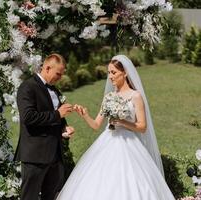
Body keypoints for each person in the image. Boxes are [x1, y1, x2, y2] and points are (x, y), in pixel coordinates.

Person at [56, 55, 175, 200]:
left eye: (114, 72)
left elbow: (142, 126)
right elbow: (96, 125)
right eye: (109, 73)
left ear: (124, 73)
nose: (110, 77)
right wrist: (85, 115)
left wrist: (123, 122)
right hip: (108, 141)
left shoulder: (135, 96)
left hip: (129, 143)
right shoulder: (109, 97)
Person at [15, 53, 75, 200]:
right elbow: (29, 117)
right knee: (29, 197)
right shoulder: (27, 87)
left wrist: (64, 128)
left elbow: (57, 117)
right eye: (58, 74)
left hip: (55, 155)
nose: (60, 78)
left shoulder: (55, 90)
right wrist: (57, 114)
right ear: (47, 68)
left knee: (52, 196)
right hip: (35, 155)